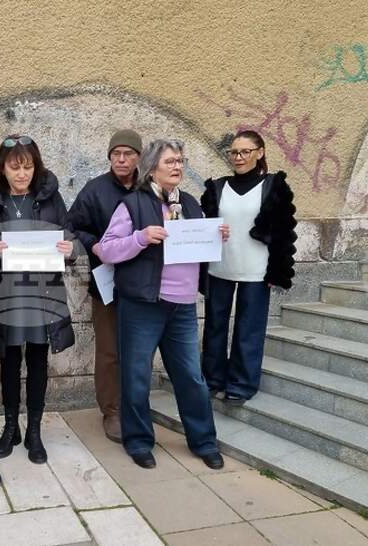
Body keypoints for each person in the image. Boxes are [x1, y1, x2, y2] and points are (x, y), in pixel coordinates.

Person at [99, 138, 227, 470]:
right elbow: (106, 249)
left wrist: (216, 236)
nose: (177, 167)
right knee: (136, 376)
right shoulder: (133, 204)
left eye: (181, 161)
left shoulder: (190, 203)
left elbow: (198, 248)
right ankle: (139, 441)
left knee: (191, 377)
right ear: (151, 168)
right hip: (143, 304)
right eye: (170, 161)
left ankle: (204, 442)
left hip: (182, 306)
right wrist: (141, 238)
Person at [0, 135, 76, 464]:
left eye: (28, 167)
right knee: (8, 361)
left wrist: (69, 248)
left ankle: (34, 430)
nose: (22, 174)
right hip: (5, 294)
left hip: (42, 293)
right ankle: (11, 427)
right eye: (14, 167)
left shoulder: (49, 197)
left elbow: (69, 235)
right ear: (2, 169)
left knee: (37, 360)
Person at [200, 130, 297, 405]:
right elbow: (203, 225)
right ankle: (212, 379)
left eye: (245, 152)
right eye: (234, 152)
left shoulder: (273, 186)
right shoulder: (217, 187)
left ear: (260, 153)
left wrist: (279, 270)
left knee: (249, 328)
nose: (238, 157)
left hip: (257, 270)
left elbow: (283, 231)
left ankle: (241, 384)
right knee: (214, 326)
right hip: (219, 267)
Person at [67, 129, 142, 443]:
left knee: (137, 349)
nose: (121, 159)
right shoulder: (95, 190)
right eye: (115, 154)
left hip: (144, 282)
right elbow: (71, 226)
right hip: (106, 282)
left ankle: (135, 405)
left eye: (128, 154)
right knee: (109, 350)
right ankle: (111, 411)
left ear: (139, 157)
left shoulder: (150, 187)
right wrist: (94, 244)